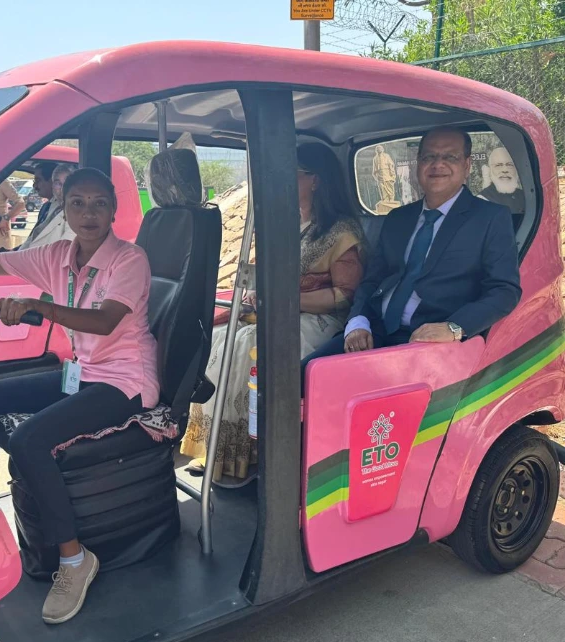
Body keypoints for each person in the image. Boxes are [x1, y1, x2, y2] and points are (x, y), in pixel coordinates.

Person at [0, 168, 159, 624]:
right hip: (83, 373)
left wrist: (38, 306)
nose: (88, 213)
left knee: (29, 440)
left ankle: (75, 561)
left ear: (114, 210)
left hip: (125, 382)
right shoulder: (57, 255)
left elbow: (103, 322)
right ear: (64, 207)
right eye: (78, 203)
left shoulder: (129, 259)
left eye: (99, 203)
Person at [182, 142, 367, 483]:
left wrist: (287, 300)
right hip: (278, 310)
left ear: (315, 180)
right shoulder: (287, 223)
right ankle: (217, 448)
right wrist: (259, 292)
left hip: (319, 317)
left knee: (251, 345)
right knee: (221, 337)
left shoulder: (342, 232)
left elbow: (344, 295)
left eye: (292, 173)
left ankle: (251, 454)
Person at [301, 127, 522, 388]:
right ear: (418, 164)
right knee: (300, 381)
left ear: (467, 165)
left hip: (428, 339)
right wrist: (358, 321)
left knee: (360, 399)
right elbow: (372, 279)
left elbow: (504, 290)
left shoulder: (490, 218)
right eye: (429, 157)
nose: (437, 164)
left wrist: (454, 328)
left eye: (449, 157)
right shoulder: (399, 218)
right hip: (373, 332)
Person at [21, 163, 76, 249]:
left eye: (67, 183)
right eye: (58, 183)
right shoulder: (54, 207)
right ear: (52, 185)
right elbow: (34, 238)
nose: (62, 188)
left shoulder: (76, 215)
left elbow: (63, 249)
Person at [478, 146, 525, 214]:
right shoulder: (482, 200)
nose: (505, 170)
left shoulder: (525, 197)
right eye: (498, 165)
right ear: (490, 170)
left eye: (509, 165)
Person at [33, 161, 59, 226]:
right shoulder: (46, 207)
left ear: (52, 181)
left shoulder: (61, 209)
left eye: (38, 180)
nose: (34, 185)